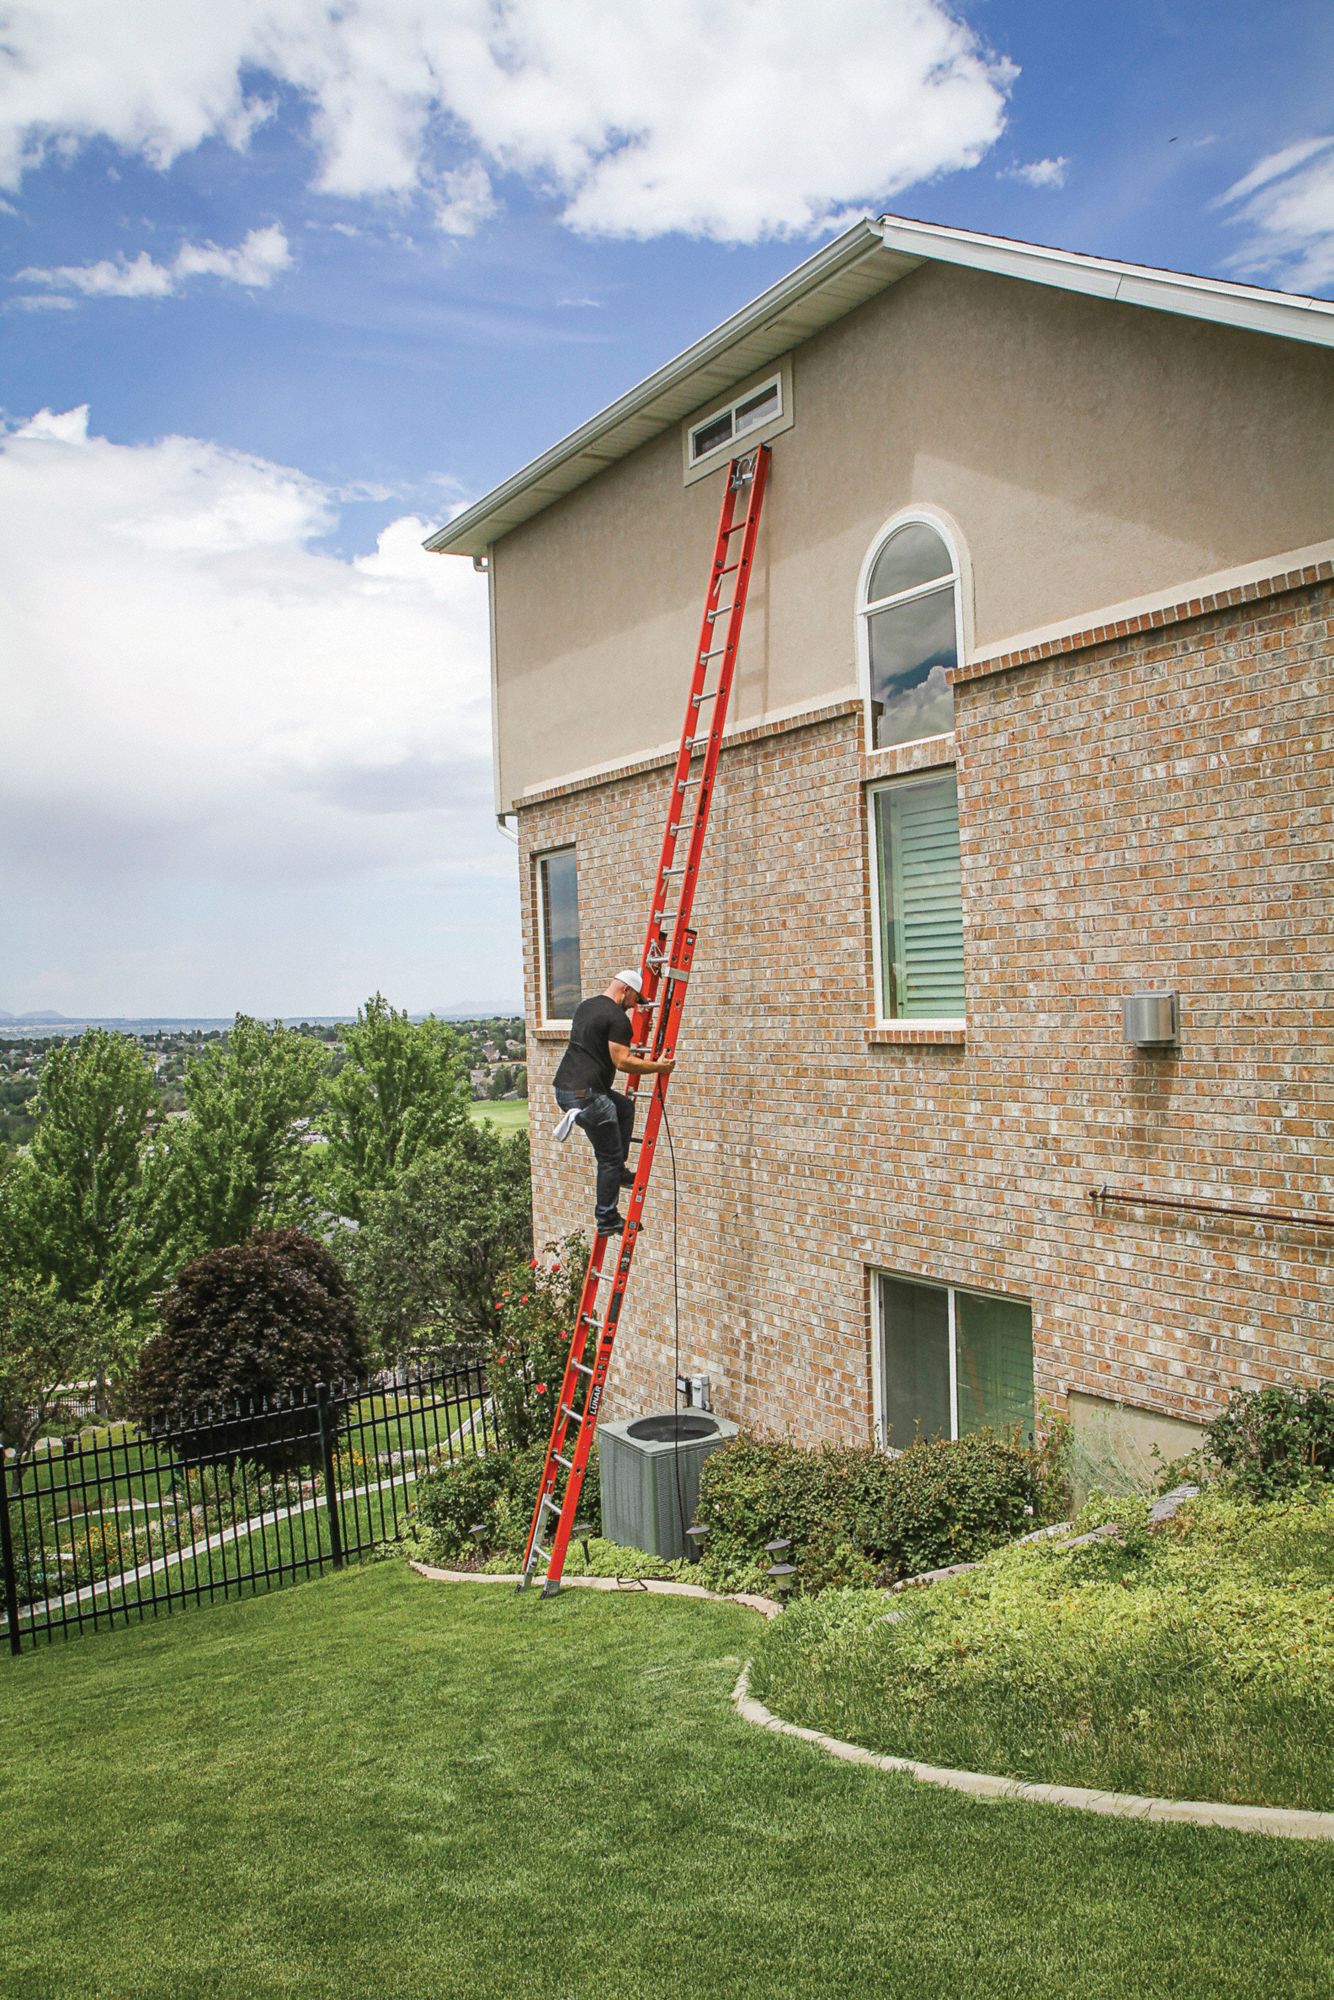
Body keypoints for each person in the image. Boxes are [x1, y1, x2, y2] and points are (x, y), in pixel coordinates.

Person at [553, 968, 675, 1237]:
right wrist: (659, 1068)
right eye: (635, 1000)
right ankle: (607, 1218)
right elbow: (623, 1062)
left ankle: (618, 1171)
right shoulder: (617, 1018)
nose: (634, 1007)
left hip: (567, 1090)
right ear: (626, 991)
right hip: (587, 1096)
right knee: (607, 1156)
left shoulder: (588, 1006)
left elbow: (599, 1043)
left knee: (623, 1107)